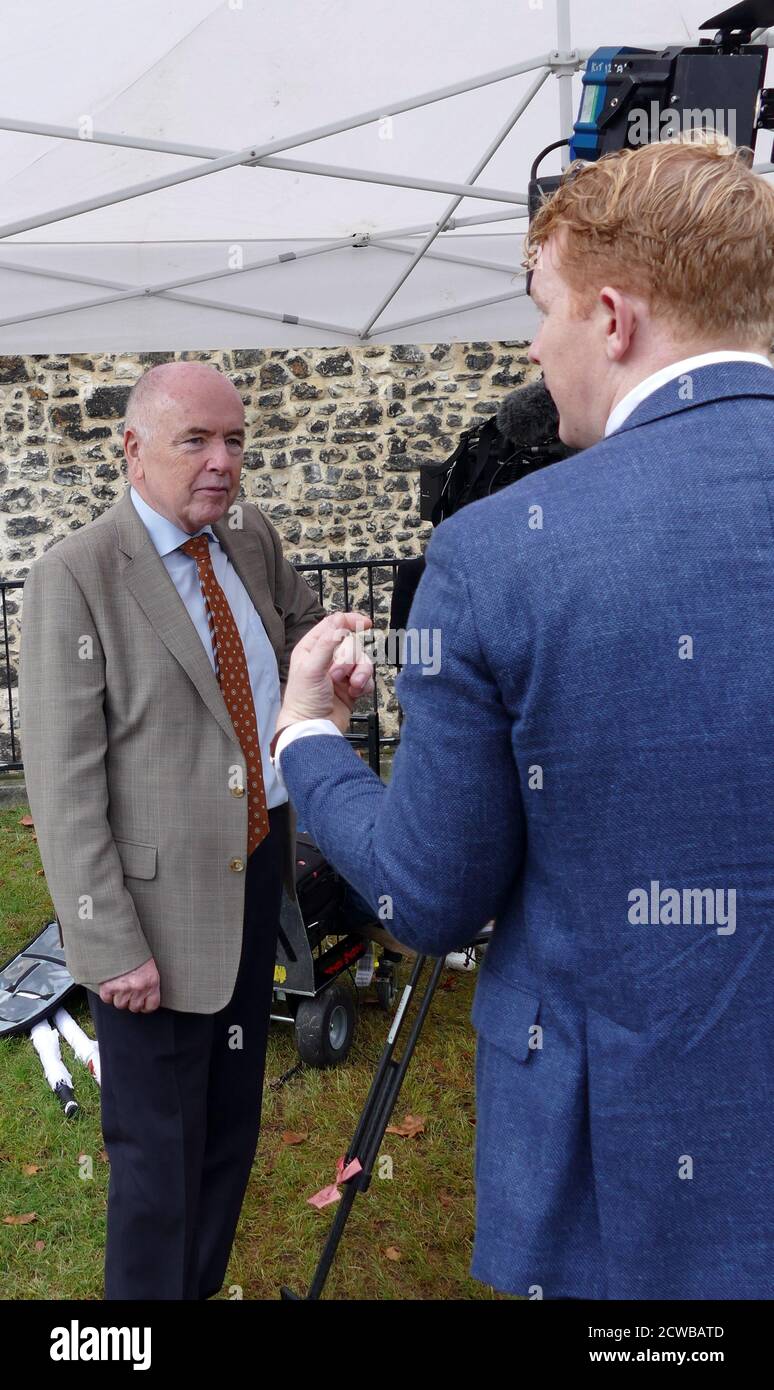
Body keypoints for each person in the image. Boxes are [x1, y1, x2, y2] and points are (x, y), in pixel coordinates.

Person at [268, 133, 774, 1299]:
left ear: (612, 317)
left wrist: (310, 740)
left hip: (629, 1202)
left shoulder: (499, 555)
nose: (533, 349)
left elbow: (433, 893)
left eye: (539, 310)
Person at [19, 361, 325, 1300]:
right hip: (146, 923)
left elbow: (302, 632)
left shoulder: (248, 535)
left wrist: (334, 657)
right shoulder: (74, 577)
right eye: (197, 441)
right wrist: (107, 944)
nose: (224, 462)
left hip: (252, 873)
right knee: (156, 1163)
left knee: (228, 1135)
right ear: (134, 449)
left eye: (235, 440)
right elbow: (63, 784)